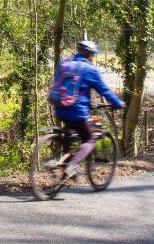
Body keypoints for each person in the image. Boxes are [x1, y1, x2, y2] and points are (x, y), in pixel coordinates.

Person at [50, 40, 125, 179]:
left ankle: (63, 165)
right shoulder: (89, 70)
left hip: (59, 108)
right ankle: (71, 166)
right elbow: (104, 90)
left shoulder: (64, 65)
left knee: (70, 136)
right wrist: (117, 102)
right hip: (78, 112)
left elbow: (56, 86)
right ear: (90, 55)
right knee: (89, 139)